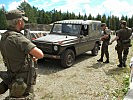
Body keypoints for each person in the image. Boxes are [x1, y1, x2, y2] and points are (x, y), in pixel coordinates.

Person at [0, 9, 44, 99]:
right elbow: (40, 54)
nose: (24, 22)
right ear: (19, 22)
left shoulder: (4, 37)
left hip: (13, 77)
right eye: (23, 20)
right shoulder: (18, 38)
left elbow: (15, 54)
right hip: (22, 81)